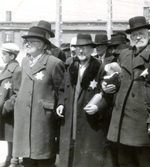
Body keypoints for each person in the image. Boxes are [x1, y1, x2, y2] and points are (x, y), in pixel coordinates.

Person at [103, 16, 150, 167]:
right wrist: (107, 87)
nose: (138, 37)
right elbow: (118, 80)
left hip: (142, 121)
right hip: (122, 120)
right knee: (124, 162)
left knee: (145, 162)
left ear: (149, 35)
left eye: (141, 33)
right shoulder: (124, 54)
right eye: (134, 35)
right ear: (130, 38)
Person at [56, 33, 113, 167]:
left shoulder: (100, 67)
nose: (81, 51)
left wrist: (98, 107)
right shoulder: (71, 66)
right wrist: (60, 103)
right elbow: (62, 90)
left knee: (87, 160)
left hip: (90, 122)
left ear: (92, 49)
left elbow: (109, 95)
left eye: (85, 47)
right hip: (71, 120)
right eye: (78, 48)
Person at [12, 27, 65, 167]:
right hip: (24, 117)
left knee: (43, 157)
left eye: (31, 42)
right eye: (26, 42)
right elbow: (18, 88)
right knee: (27, 158)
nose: (27, 44)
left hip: (42, 118)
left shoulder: (54, 63)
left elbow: (62, 90)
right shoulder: (24, 61)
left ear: (41, 45)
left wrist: (59, 105)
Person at [0, 43, 21, 167]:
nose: (2, 56)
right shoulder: (7, 67)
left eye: (4, 54)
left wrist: (7, 107)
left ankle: (14, 160)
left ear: (12, 56)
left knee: (13, 134)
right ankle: (9, 158)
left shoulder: (17, 70)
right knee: (8, 134)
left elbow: (18, 93)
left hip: (10, 110)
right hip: (5, 108)